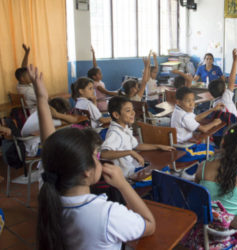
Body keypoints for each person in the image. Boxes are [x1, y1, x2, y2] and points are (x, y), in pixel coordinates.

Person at [27, 64, 155, 250]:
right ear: (87, 172)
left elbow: (49, 145)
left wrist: (41, 99)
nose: (100, 159)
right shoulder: (107, 214)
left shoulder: (52, 194)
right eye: (96, 157)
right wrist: (123, 184)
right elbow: (149, 224)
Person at [195, 123, 237, 233]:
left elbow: (197, 189)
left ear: (222, 142)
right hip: (231, 231)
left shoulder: (204, 166)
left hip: (204, 228)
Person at [101, 96, 175, 178]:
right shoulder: (115, 133)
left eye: (133, 109)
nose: (133, 113)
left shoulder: (123, 128)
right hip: (128, 176)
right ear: (116, 115)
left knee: (163, 168)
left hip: (133, 169)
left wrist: (158, 146)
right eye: (128, 110)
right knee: (163, 173)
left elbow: (136, 145)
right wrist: (130, 152)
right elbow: (103, 154)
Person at [171, 87, 223, 163]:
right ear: (178, 102)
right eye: (188, 101)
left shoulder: (179, 110)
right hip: (183, 151)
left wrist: (212, 109)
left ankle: (191, 172)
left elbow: (195, 118)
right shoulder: (184, 116)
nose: (192, 103)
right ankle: (189, 173)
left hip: (183, 146)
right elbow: (204, 129)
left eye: (193, 100)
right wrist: (214, 123)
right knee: (210, 150)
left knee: (205, 149)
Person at [88, 46, 118, 112]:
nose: (101, 74)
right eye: (99, 74)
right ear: (94, 77)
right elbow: (107, 92)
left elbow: (95, 66)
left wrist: (93, 54)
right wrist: (118, 93)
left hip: (103, 101)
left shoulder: (98, 81)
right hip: (100, 103)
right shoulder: (96, 85)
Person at [15, 44, 37, 114]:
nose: (31, 75)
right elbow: (44, 100)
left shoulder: (19, 85)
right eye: (29, 75)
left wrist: (27, 53)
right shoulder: (28, 91)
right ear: (23, 79)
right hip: (36, 114)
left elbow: (23, 68)